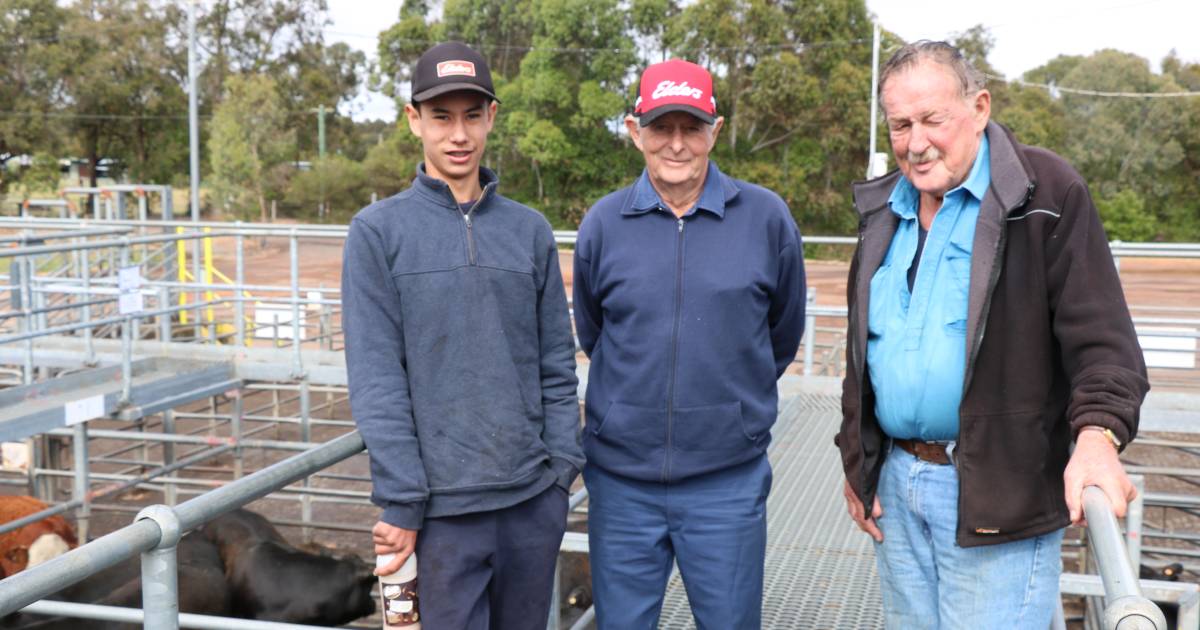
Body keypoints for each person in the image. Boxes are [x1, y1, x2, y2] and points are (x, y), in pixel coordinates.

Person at [836, 40, 1149, 629]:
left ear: (979, 108)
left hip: (996, 490)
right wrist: (857, 459)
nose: (916, 141)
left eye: (933, 119)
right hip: (898, 492)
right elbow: (865, 351)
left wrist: (1097, 438)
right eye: (901, 124)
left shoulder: (1046, 193)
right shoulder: (883, 210)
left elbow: (1104, 343)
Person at [341, 41, 583, 630]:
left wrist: (560, 473)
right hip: (440, 516)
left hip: (531, 503)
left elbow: (556, 359)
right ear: (413, 120)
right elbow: (377, 379)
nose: (458, 134)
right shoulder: (377, 233)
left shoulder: (529, 231)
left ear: (492, 117)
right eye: (442, 116)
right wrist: (403, 500)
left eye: (472, 115)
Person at [573, 58, 806, 629]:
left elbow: (781, 333)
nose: (676, 144)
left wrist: (732, 412)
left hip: (726, 484)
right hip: (622, 486)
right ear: (635, 130)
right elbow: (593, 332)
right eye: (660, 127)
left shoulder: (766, 218)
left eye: (691, 127)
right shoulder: (603, 224)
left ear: (715, 130)